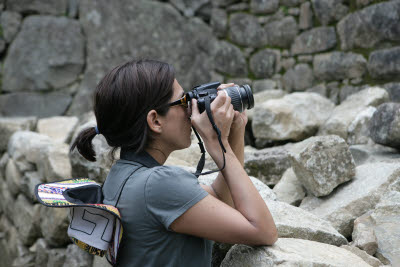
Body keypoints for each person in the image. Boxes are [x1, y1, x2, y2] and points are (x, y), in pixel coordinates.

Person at [70, 59, 277, 266]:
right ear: (155, 121)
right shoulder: (158, 184)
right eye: (184, 101)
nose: (191, 110)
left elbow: (222, 201)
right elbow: (263, 231)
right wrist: (216, 142)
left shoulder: (124, 174)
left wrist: (235, 128)